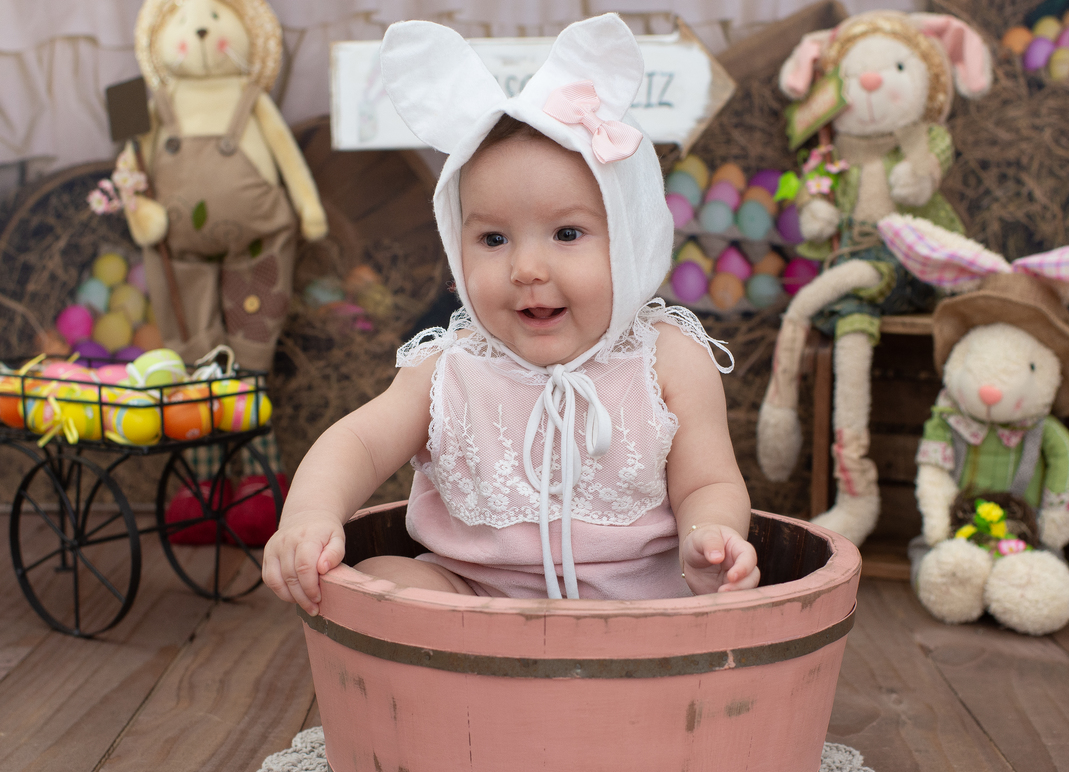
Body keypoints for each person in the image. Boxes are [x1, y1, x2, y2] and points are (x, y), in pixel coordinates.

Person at [262, 14, 758, 613]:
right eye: (493, 240)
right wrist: (310, 515)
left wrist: (709, 536)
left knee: (700, 606)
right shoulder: (449, 368)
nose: (526, 268)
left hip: (638, 611)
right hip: (475, 599)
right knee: (379, 582)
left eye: (567, 233)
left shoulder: (666, 360)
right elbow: (359, 444)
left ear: (631, 241)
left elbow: (708, 481)